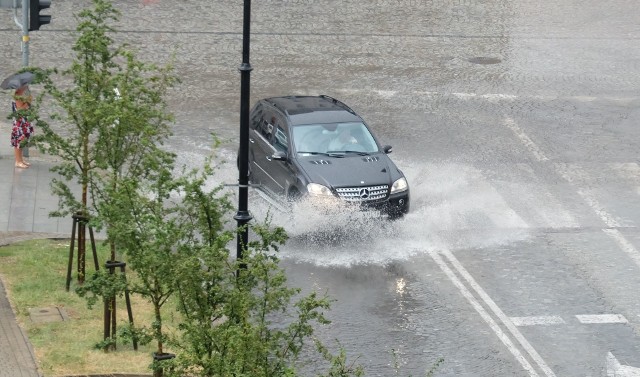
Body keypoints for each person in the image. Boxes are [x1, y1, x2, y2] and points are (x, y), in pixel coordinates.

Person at [11, 84, 33, 169]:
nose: (27, 87)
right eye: (25, 86)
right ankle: (18, 161)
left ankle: (21, 160)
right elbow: (20, 109)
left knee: (22, 141)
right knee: (18, 142)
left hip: (24, 121)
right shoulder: (18, 95)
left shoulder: (22, 94)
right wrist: (28, 102)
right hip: (20, 123)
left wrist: (28, 100)